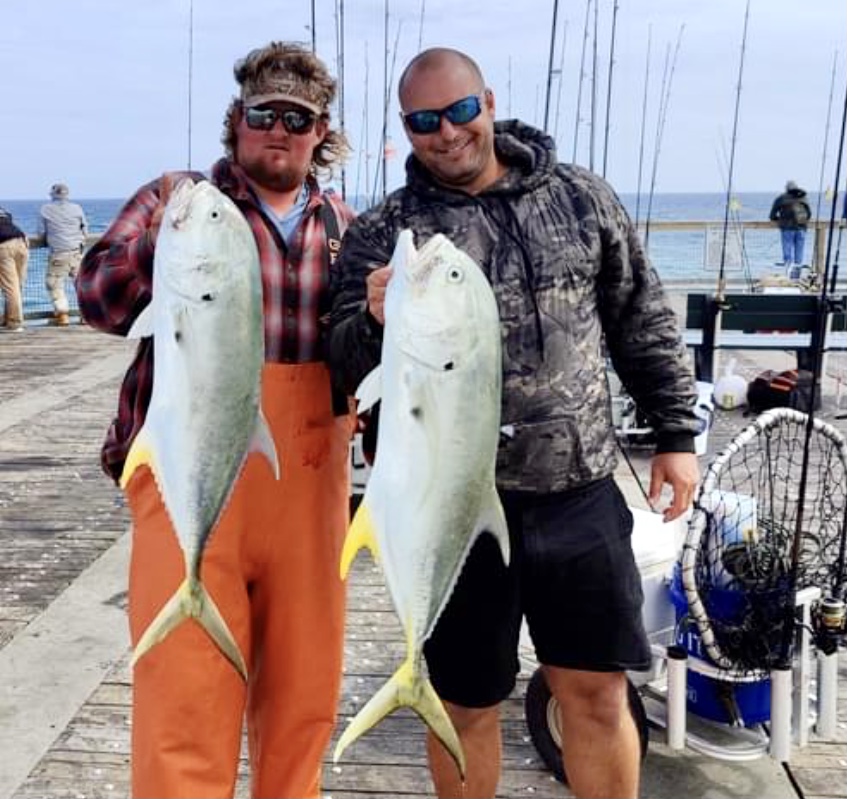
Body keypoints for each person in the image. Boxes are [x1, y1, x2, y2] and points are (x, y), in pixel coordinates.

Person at [328, 47, 700, 799]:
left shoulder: (579, 197)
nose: (448, 132)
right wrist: (371, 320)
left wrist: (675, 434)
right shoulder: (386, 231)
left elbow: (640, 316)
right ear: (407, 130)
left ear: (489, 102)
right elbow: (338, 364)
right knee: (464, 704)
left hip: (577, 492)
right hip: (447, 511)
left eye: (461, 110)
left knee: (593, 693)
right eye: (425, 121)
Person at [76, 41, 355, 798]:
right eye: (263, 113)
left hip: (307, 491)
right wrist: (158, 244)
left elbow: (368, 355)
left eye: (297, 119)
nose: (278, 129)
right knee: (183, 696)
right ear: (236, 120)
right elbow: (98, 299)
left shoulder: (346, 226)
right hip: (190, 482)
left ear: (320, 133)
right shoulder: (177, 198)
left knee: (303, 697)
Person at [39, 182, 88, 325]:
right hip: (77, 252)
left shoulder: (45, 209)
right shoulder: (77, 208)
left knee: (54, 284)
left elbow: (41, 232)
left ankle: (62, 315)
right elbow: (85, 230)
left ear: (52, 195)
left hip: (59, 253)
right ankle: (85, 316)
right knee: (82, 284)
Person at [769, 180, 812, 272]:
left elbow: (772, 216)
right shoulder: (803, 198)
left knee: (788, 255)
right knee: (799, 255)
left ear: (786, 189)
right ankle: (796, 277)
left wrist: (780, 220)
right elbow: (809, 214)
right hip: (801, 228)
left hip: (787, 229)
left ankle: (789, 276)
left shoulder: (781, 198)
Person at [0, 207, 29, 332]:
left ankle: (15, 322)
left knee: (11, 287)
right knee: (18, 284)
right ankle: (7, 318)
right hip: (22, 242)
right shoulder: (4, 212)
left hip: (4, 246)